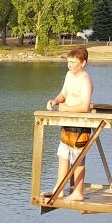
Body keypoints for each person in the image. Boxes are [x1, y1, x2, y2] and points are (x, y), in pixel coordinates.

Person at [44, 47, 94, 202]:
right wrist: (55, 101)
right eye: (68, 62)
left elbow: (85, 106)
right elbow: (63, 94)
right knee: (63, 155)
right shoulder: (69, 75)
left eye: (73, 62)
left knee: (78, 160)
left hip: (80, 125)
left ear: (83, 63)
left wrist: (65, 109)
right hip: (67, 123)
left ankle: (78, 192)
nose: (69, 65)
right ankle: (59, 190)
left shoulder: (85, 80)